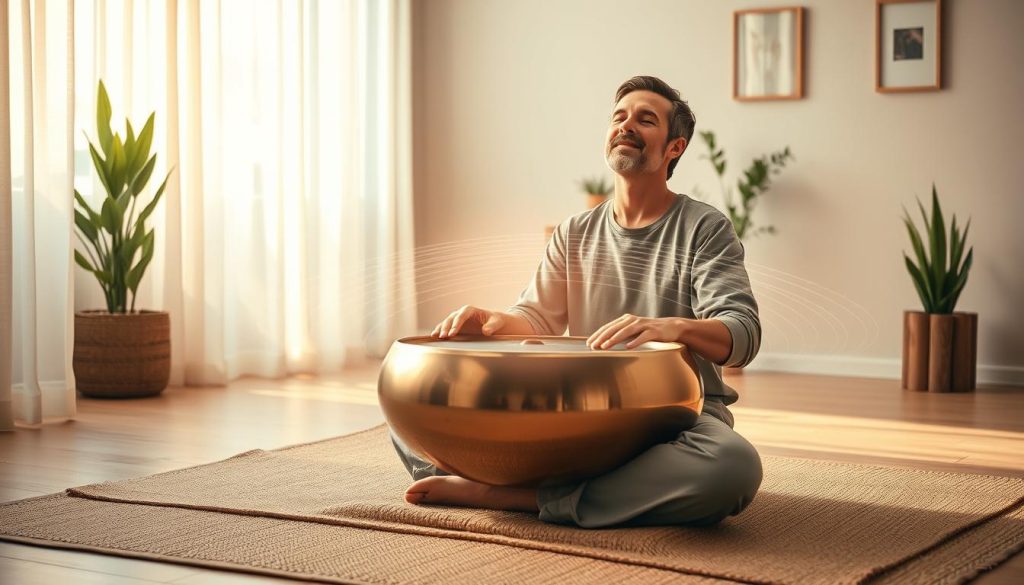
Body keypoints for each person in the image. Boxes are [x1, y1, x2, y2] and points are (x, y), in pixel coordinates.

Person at [392, 75, 763, 528]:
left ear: (674, 149)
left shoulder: (705, 228)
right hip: (579, 419)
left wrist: (671, 327)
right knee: (410, 411)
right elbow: (536, 319)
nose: (627, 125)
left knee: (732, 468)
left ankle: (517, 495)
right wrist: (491, 321)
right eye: (619, 117)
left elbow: (741, 333)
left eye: (645, 120)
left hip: (673, 421)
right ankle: (583, 492)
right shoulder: (575, 231)